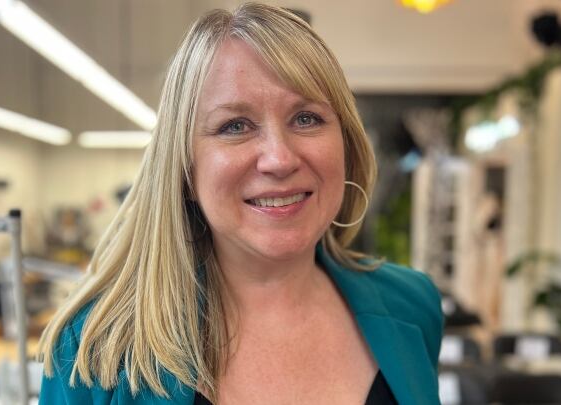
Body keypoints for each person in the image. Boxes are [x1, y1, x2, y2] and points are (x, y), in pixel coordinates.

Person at [38, 3, 443, 404]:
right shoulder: (93, 351)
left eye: (306, 118)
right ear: (184, 169)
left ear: (346, 143)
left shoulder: (411, 305)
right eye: (235, 126)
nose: (280, 159)